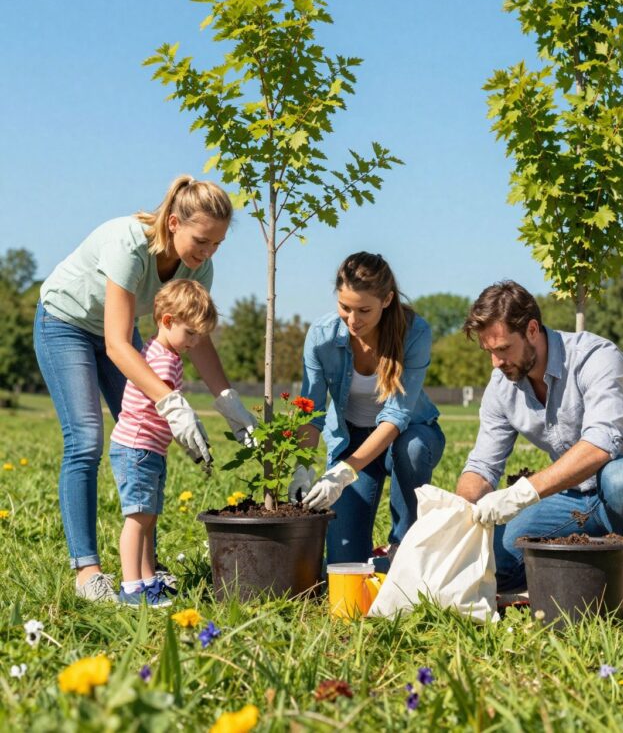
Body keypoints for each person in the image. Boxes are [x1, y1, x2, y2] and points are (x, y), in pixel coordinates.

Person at [35, 176, 260, 602]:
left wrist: (229, 404)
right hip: (66, 323)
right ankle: (88, 572)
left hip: (114, 336)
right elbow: (119, 344)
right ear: (173, 222)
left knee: (142, 437)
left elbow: (198, 337)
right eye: (202, 240)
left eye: (217, 244)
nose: (208, 253)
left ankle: (144, 571)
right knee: (85, 439)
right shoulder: (128, 245)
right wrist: (171, 400)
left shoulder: (199, 267)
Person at [455, 281, 623, 614]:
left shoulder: (596, 357)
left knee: (619, 478)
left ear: (532, 329)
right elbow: (483, 466)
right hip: (574, 497)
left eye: (502, 349)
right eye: (489, 351)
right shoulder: (502, 385)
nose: (495, 362)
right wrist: (457, 511)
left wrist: (522, 493)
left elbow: (602, 445)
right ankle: (591, 560)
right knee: (493, 568)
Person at [295, 253, 444, 565]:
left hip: (404, 437)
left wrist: (345, 471)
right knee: (342, 561)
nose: (353, 320)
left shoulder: (414, 332)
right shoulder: (322, 337)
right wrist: (302, 465)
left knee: (413, 448)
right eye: (344, 307)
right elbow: (312, 412)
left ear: (387, 300)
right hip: (351, 440)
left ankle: (404, 544)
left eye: (364, 310)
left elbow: (396, 417)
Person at [109, 280, 219, 607]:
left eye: (201, 335)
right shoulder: (159, 359)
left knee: (149, 517)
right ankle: (131, 588)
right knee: (137, 518)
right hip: (137, 449)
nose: (195, 342)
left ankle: (147, 580)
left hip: (150, 450)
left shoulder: (167, 355)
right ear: (167, 321)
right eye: (191, 333)